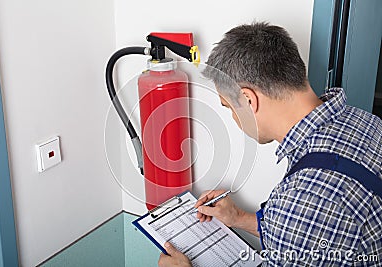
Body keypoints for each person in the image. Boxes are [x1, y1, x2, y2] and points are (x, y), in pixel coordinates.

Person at [158, 22, 382, 266]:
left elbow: (304, 224)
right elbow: (313, 237)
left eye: (229, 107)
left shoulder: (303, 201)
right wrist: (239, 218)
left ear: (247, 99)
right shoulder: (367, 122)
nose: (234, 118)